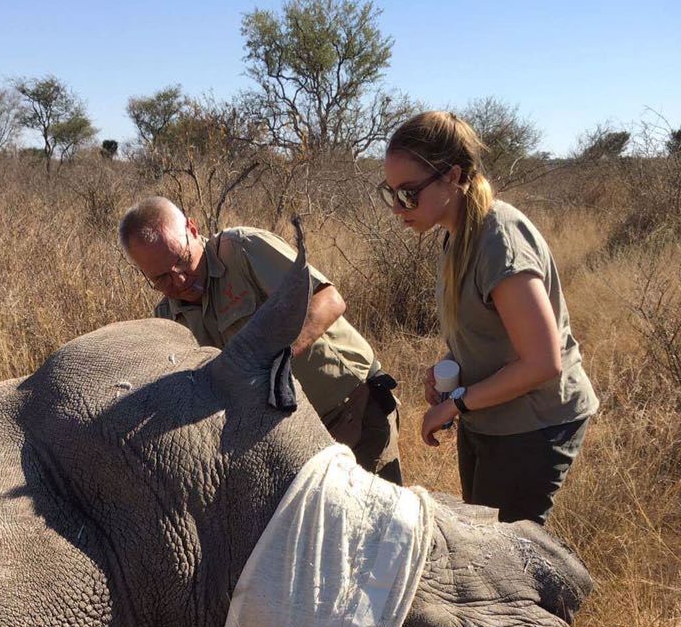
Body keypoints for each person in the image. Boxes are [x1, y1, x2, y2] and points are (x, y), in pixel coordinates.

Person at [381, 111, 597, 524]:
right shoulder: (456, 232)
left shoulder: (498, 239)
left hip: (533, 423)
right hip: (491, 414)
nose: (396, 208)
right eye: (389, 193)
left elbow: (541, 362)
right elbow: (489, 327)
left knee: (506, 560)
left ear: (452, 176)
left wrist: (456, 404)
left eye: (408, 194)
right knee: (484, 539)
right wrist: (452, 367)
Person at [119, 196, 403, 484]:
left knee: (382, 524)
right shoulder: (166, 318)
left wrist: (277, 358)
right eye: (161, 278)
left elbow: (328, 300)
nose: (179, 281)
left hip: (352, 408)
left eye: (181, 260)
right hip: (293, 442)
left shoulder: (243, 249)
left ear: (192, 229)